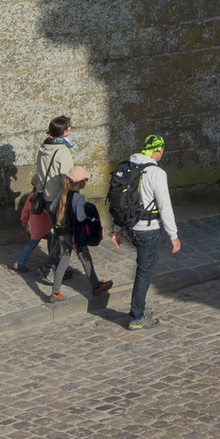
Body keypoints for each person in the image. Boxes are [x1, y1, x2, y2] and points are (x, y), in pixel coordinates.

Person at [110, 134, 180, 328]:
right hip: (149, 230)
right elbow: (165, 207)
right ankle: (137, 316)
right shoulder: (157, 173)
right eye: (162, 150)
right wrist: (173, 235)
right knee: (144, 272)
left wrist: (117, 229)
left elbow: (120, 201)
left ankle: (138, 307)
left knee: (142, 269)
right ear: (159, 150)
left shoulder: (128, 166)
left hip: (131, 228)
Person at [14, 115, 74, 273]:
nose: (70, 129)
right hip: (58, 198)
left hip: (45, 197)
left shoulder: (43, 148)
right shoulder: (63, 151)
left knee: (56, 231)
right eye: (69, 127)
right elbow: (66, 179)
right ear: (64, 131)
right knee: (63, 235)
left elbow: (41, 173)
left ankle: (55, 264)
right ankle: (53, 267)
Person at [46, 164, 113, 302]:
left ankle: (55, 293)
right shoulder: (78, 198)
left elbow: (52, 208)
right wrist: (87, 211)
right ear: (81, 182)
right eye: (85, 180)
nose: (86, 182)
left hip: (62, 234)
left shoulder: (62, 192)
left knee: (63, 262)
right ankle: (96, 287)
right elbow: (80, 217)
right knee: (86, 260)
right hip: (75, 236)